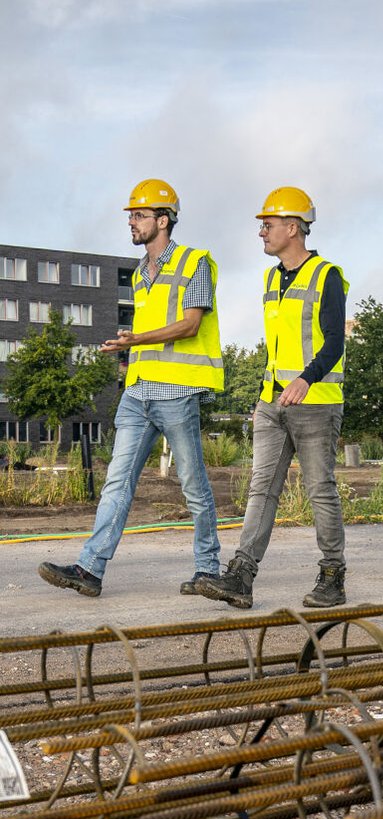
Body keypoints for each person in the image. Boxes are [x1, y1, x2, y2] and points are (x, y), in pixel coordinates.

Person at [38, 178, 223, 597]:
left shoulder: (196, 262)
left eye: (138, 215)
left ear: (163, 220)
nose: (132, 223)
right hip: (138, 392)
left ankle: (209, 569)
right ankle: (90, 569)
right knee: (116, 483)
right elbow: (147, 330)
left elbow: (191, 323)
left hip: (177, 391)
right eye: (131, 216)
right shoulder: (140, 273)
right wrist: (125, 349)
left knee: (193, 484)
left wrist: (135, 339)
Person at [197, 186, 349, 609]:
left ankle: (333, 576)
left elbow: (335, 342)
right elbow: (277, 347)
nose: (261, 232)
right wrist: (266, 394)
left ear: (293, 227)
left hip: (315, 402)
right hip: (272, 403)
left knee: (320, 489)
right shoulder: (270, 278)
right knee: (261, 489)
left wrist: (306, 378)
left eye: (268, 224)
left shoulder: (326, 275)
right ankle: (241, 576)